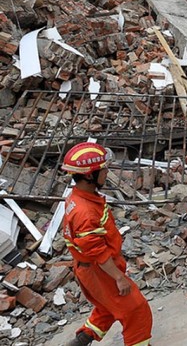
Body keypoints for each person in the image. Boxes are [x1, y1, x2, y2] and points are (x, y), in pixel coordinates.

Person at [61, 142, 153, 346]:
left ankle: (82, 340)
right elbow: (97, 252)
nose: (106, 173)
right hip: (99, 269)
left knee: (108, 306)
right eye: (103, 169)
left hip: (91, 268)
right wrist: (119, 277)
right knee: (136, 309)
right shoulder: (85, 212)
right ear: (89, 176)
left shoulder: (78, 197)